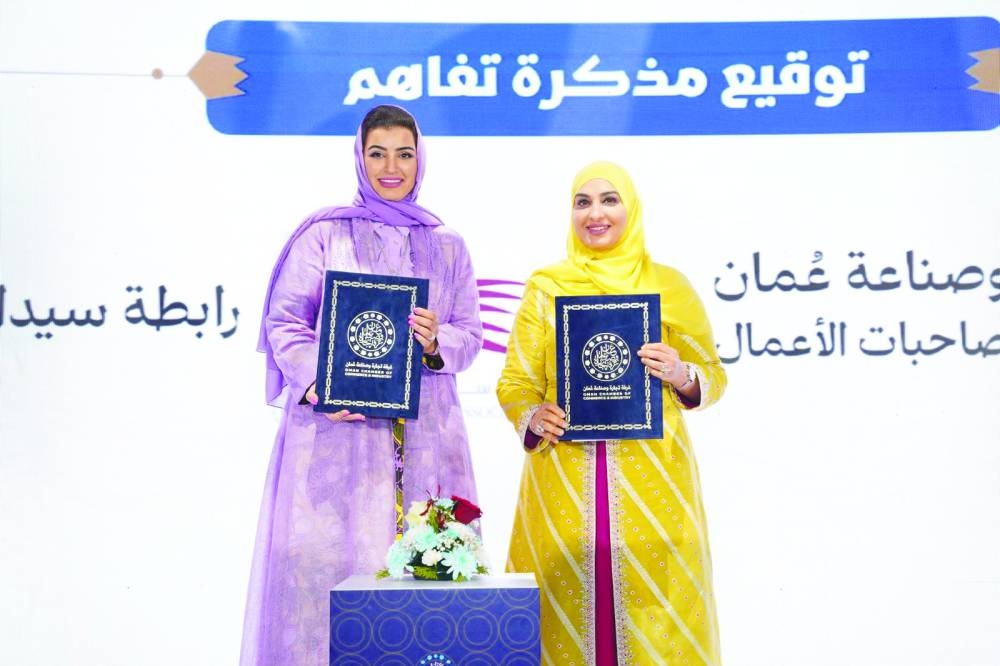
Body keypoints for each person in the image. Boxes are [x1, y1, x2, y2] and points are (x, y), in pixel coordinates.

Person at [240, 105, 483, 666]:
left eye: (404, 153)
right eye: (378, 153)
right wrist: (321, 385)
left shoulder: (448, 245)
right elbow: (285, 322)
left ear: (420, 159)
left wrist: (436, 341)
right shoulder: (324, 234)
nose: (391, 167)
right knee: (327, 578)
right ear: (359, 157)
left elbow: (469, 335)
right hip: (335, 435)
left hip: (426, 436)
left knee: (425, 580)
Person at [496, 161, 727, 665]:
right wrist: (532, 415)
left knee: (657, 612)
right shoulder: (546, 287)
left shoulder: (670, 286)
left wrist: (681, 373)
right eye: (582, 202)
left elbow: (713, 375)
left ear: (631, 209)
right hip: (563, 474)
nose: (595, 213)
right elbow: (515, 382)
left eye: (609, 200)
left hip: (653, 477)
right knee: (562, 604)